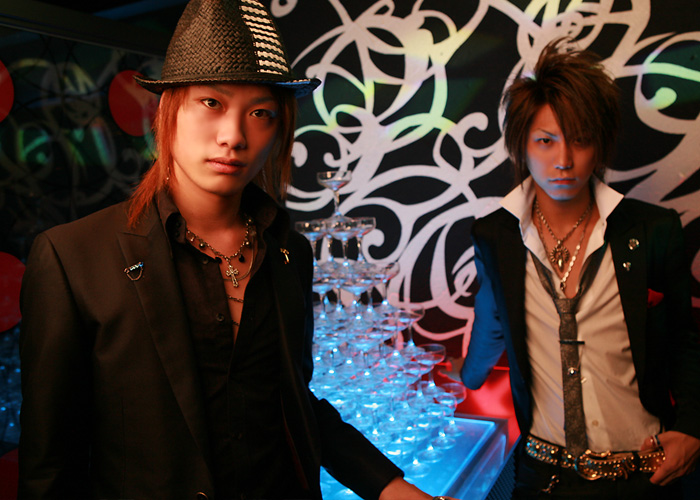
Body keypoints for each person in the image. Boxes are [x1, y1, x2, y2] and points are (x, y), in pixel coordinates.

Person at [18, 1, 457, 499]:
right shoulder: (73, 257)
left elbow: (293, 404)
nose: (233, 136)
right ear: (168, 111)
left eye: (260, 113)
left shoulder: (289, 251)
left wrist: (393, 488)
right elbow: (50, 464)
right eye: (211, 102)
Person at [460, 38, 700, 499]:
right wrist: (463, 379)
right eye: (546, 141)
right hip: (541, 478)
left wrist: (693, 428)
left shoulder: (653, 231)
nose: (564, 161)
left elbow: (685, 341)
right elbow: (492, 321)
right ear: (522, 145)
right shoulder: (495, 236)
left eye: (581, 140)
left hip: (643, 475)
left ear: (601, 144)